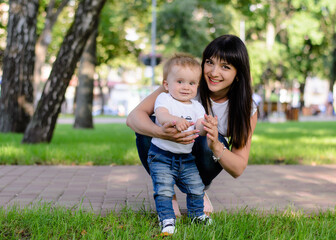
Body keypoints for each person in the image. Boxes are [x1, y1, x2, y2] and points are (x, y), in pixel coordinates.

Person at [126, 34, 258, 227]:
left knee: (207, 139)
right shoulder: (185, 82)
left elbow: (238, 168)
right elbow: (133, 117)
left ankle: (197, 190)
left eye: (225, 67)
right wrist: (160, 132)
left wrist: (215, 145)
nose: (214, 72)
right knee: (149, 126)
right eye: (209, 62)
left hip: (201, 158)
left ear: (238, 74)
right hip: (165, 153)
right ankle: (167, 194)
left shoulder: (245, 108)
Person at [146, 53, 211, 234]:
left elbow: (200, 126)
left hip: (186, 158)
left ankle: (197, 215)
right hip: (161, 156)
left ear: (197, 86)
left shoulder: (196, 106)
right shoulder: (165, 99)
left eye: (191, 83)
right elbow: (161, 115)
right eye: (180, 81)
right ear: (166, 84)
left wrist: (208, 126)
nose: (186, 87)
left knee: (196, 188)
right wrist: (175, 120)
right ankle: (167, 219)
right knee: (164, 190)